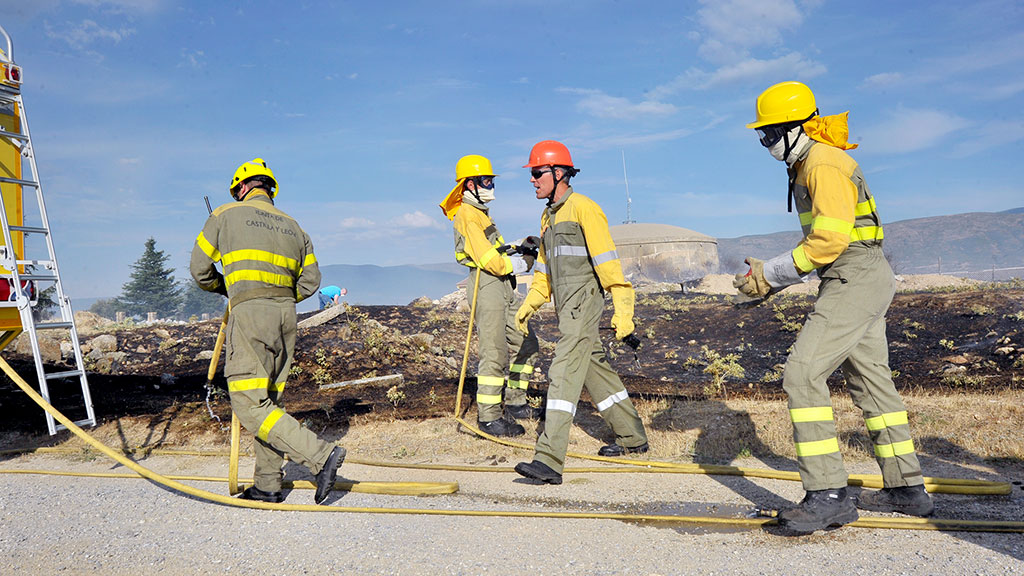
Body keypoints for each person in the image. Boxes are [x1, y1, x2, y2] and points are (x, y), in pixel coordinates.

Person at [736, 82, 933, 532]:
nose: (765, 144)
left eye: (769, 134)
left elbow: (827, 242)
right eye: (761, 135)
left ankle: (827, 494)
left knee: (802, 373)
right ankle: (907, 488)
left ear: (795, 128)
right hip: (860, 274)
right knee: (870, 381)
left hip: (854, 276)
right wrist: (771, 281)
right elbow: (825, 244)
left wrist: (768, 275)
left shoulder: (822, 163)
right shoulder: (813, 161)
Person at [191, 158, 345, 505]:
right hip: (286, 315)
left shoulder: (224, 215)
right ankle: (268, 483)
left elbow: (199, 270)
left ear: (241, 188)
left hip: (250, 313)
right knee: (270, 401)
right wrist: (279, 297)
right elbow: (311, 282)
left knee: (248, 401)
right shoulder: (295, 226)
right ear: (269, 189)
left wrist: (230, 288)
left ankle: (321, 457)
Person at [512, 141, 649, 485]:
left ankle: (548, 459)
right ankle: (632, 437)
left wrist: (623, 310)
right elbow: (544, 270)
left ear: (559, 173)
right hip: (566, 307)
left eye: (537, 172)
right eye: (532, 173)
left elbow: (608, 264)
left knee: (563, 369)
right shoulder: (548, 216)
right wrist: (530, 302)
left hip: (585, 302)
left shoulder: (585, 209)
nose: (533, 179)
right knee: (594, 369)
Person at [439, 154, 541, 437]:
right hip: (487, 285)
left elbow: (494, 252)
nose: (490, 185)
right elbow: (489, 261)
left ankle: (517, 402)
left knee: (527, 343)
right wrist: (524, 263)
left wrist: (517, 246)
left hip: (502, 286)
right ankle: (490, 418)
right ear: (469, 184)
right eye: (485, 180)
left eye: (491, 180)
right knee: (494, 353)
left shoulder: (481, 213)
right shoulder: (468, 216)